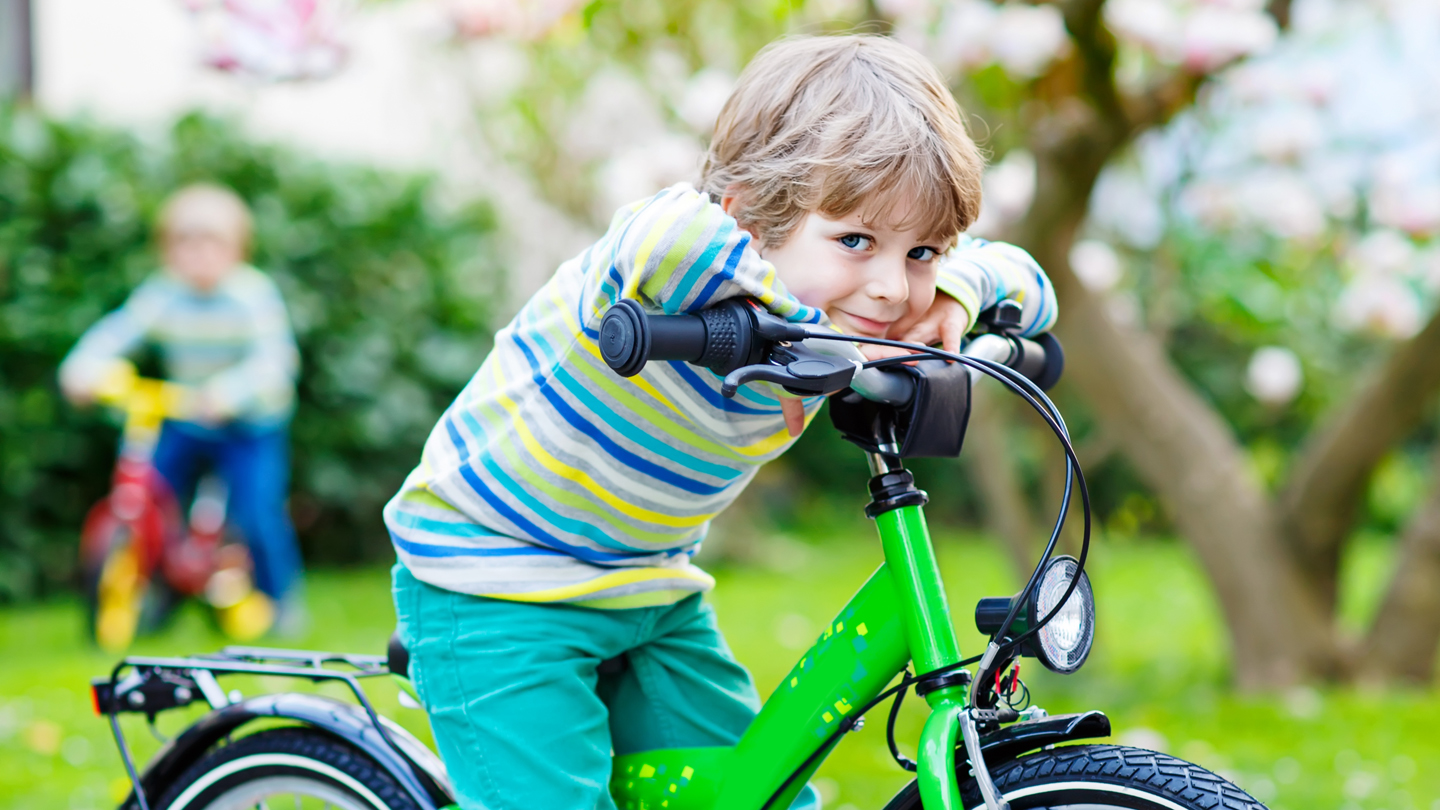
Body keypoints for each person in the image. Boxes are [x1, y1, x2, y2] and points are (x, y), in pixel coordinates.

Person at [386, 35, 1058, 810]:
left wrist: (957, 290)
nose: (889, 289)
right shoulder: (667, 264)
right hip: (493, 579)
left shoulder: (870, 304)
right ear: (748, 217)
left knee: (762, 794)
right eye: (854, 240)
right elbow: (667, 231)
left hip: (648, 583)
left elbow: (1030, 285)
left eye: (920, 251)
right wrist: (783, 302)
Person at [60, 182, 305, 631]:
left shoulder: (252, 295)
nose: (198, 256)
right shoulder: (163, 294)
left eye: (211, 243)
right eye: (185, 244)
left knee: (256, 510)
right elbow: (118, 332)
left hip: (249, 421)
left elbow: (276, 361)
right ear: (166, 251)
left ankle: (279, 601)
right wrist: (83, 368)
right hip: (185, 414)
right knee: (155, 496)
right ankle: (158, 591)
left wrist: (229, 394)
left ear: (237, 249)